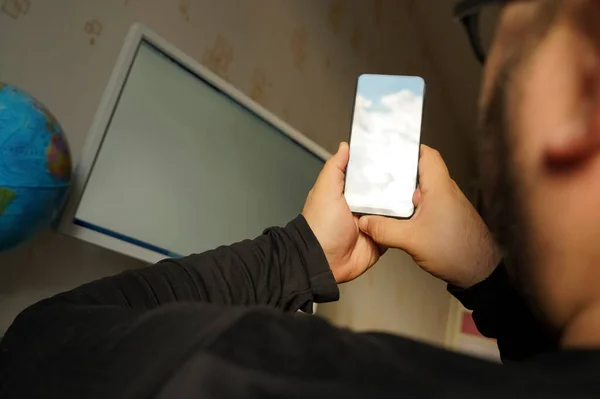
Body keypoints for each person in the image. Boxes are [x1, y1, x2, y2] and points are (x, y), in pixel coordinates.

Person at [1, 0, 600, 396]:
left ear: (581, 92)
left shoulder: (266, 377)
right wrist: (489, 278)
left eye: (492, 22)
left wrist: (299, 251)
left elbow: (39, 349)